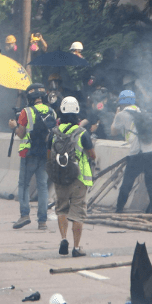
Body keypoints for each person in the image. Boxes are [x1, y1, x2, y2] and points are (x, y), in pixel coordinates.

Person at [49, 96, 96, 257]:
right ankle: (76, 248)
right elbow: (92, 155)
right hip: (79, 178)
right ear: (77, 114)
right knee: (77, 212)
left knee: (61, 208)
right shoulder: (82, 133)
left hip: (60, 177)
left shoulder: (53, 133)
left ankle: (63, 239)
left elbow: (49, 155)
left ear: (60, 113)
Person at [8, 83, 56, 230]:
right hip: (45, 154)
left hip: (28, 154)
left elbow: (21, 133)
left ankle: (24, 215)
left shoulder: (26, 112)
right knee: (42, 187)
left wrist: (13, 126)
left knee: (24, 185)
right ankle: (42, 221)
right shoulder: (52, 111)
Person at [111, 90, 152, 214]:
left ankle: (119, 209)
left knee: (127, 182)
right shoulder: (142, 112)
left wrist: (116, 114)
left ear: (121, 102)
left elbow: (113, 132)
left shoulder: (121, 114)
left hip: (137, 153)